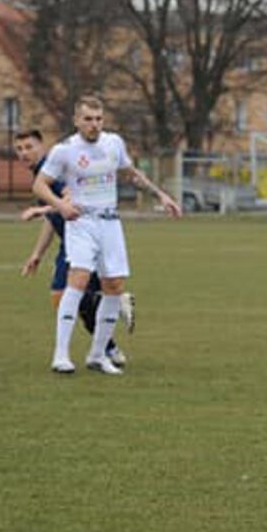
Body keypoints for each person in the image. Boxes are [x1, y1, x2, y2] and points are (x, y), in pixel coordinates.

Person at [32, 95, 181, 375]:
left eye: (98, 119)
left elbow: (131, 173)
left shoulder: (114, 143)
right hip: (82, 222)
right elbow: (40, 186)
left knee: (114, 285)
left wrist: (161, 195)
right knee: (78, 278)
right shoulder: (64, 150)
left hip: (110, 222)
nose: (94, 125)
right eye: (88, 119)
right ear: (76, 120)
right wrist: (61, 205)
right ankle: (60, 355)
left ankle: (97, 355)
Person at [14, 129, 128, 368]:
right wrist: (37, 253)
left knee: (68, 294)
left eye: (29, 147)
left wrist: (43, 209)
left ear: (41, 146)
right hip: (70, 239)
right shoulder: (42, 171)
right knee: (76, 295)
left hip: (83, 236)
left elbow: (69, 198)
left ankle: (105, 347)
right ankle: (108, 342)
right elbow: (51, 220)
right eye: (19, 149)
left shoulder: (53, 170)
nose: (24, 153)